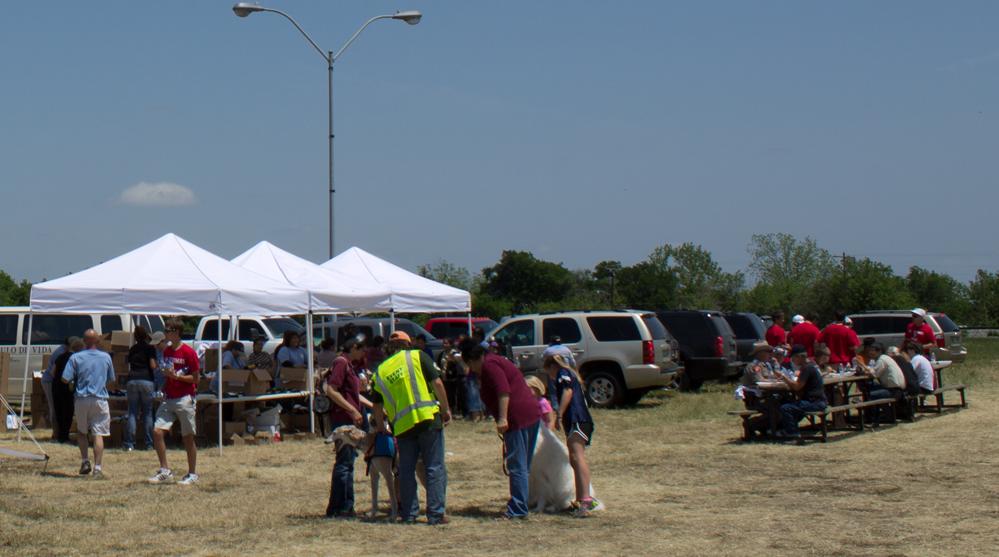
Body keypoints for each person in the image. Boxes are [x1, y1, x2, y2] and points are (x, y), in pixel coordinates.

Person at [370, 331, 452, 525]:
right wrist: (446, 409)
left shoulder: (380, 371)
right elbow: (438, 383)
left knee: (406, 470)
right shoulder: (417, 356)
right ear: (408, 343)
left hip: (402, 427)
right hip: (427, 419)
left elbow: (376, 405)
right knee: (434, 467)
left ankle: (409, 514)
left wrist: (381, 427)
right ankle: (436, 514)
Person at [461, 341, 541, 519]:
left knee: (517, 465)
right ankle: (521, 502)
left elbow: (503, 391)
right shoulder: (494, 361)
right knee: (523, 465)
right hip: (530, 413)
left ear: (472, 360)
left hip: (517, 417)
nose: (471, 369)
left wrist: (503, 418)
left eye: (469, 364)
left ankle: (518, 509)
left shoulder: (490, 365)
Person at [543, 354, 599, 517]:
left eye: (549, 372)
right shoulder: (570, 373)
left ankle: (586, 499)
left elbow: (567, 391)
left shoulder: (563, 374)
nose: (551, 377)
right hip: (578, 420)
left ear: (552, 367)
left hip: (577, 419)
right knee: (575, 458)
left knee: (577, 457)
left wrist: (559, 414)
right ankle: (581, 498)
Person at [149, 320, 201, 485]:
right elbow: (167, 374)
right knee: (157, 432)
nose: (166, 333)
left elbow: (196, 378)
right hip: (169, 397)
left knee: (187, 437)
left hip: (185, 398)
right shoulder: (167, 351)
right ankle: (165, 471)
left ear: (177, 332)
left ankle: (192, 473)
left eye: (168, 330)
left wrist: (177, 377)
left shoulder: (189, 352)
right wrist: (163, 388)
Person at [61, 329, 115, 478]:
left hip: (82, 398)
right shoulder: (106, 357)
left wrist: (73, 382)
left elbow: (65, 378)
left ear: (84, 341)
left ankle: (85, 461)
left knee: (82, 432)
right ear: (98, 341)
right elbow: (111, 379)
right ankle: (97, 468)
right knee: (98, 434)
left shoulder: (75, 357)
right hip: (100, 398)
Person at [324, 337, 366, 518]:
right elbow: (331, 390)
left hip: (349, 418)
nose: (364, 354)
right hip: (343, 420)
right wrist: (351, 410)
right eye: (362, 350)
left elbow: (353, 394)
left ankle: (347, 506)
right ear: (354, 347)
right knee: (344, 463)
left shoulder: (349, 365)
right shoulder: (341, 363)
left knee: (348, 462)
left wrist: (371, 406)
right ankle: (338, 508)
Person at [773, 345, 827, 441]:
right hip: (818, 401)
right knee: (791, 403)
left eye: (793, 358)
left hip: (815, 402)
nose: (793, 361)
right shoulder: (810, 366)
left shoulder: (807, 368)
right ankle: (784, 428)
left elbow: (797, 387)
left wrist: (784, 377)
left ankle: (792, 433)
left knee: (786, 408)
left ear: (799, 357)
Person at [124, 326, 159, 451]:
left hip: (132, 379)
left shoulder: (132, 349)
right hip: (146, 380)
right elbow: (153, 365)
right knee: (148, 413)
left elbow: (127, 363)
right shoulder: (150, 348)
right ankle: (149, 443)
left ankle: (129, 444)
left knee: (132, 412)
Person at [51, 337, 83, 444]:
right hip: (68, 387)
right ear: (78, 348)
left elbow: (52, 372)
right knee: (68, 412)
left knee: (59, 411)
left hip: (56, 387)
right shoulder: (75, 358)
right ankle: (65, 436)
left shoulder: (60, 356)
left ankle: (60, 435)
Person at [42, 337, 70, 435]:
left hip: (53, 380)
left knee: (57, 406)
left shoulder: (63, 350)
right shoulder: (61, 353)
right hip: (50, 381)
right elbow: (53, 372)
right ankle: (55, 432)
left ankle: (58, 432)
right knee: (54, 407)